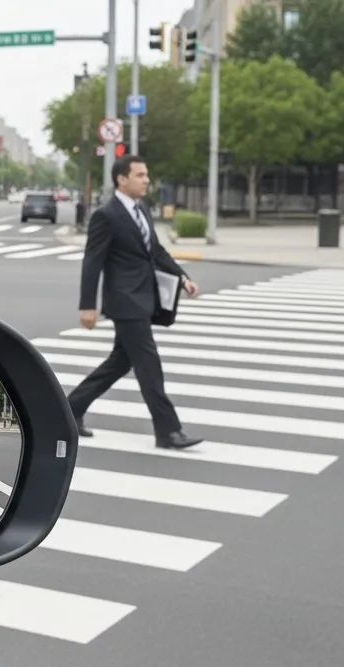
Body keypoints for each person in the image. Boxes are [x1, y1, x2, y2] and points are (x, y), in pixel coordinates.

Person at [67, 155, 202, 450]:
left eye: (146, 174)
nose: (146, 180)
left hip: (143, 297)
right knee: (148, 364)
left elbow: (155, 250)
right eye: (140, 175)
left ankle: (69, 410)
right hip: (125, 301)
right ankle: (168, 431)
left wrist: (181, 277)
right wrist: (87, 305)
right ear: (122, 179)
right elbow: (93, 262)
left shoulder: (141, 210)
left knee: (119, 362)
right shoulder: (107, 215)